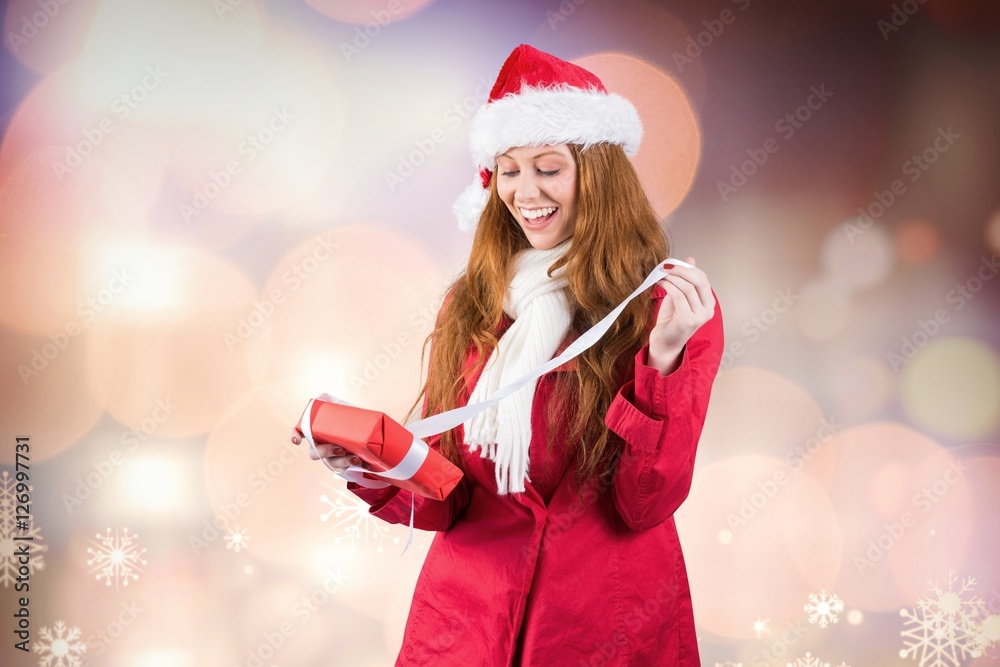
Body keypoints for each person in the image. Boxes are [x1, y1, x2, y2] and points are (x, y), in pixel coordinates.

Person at [291, 44, 723, 667]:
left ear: (596, 175)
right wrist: (365, 461)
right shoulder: (471, 304)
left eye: (549, 167)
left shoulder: (664, 306)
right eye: (510, 170)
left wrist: (660, 363)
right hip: (466, 625)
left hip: (604, 628)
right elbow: (447, 499)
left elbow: (644, 504)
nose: (526, 192)